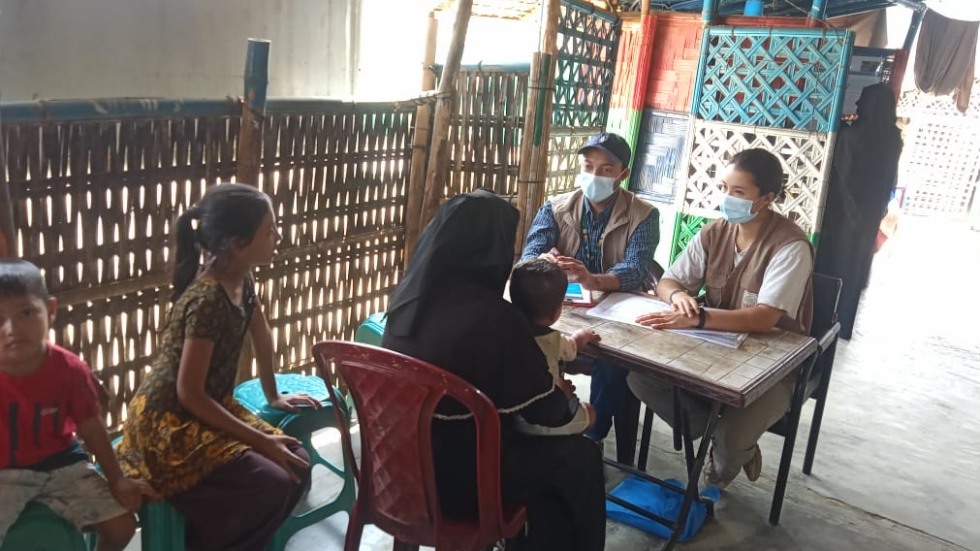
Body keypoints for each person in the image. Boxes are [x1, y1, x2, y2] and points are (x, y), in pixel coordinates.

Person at [383, 189, 606, 551]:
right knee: (578, 457)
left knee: (546, 457)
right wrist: (567, 400)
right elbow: (547, 412)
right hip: (458, 483)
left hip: (395, 468)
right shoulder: (496, 321)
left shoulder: (409, 301)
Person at [115, 183, 318, 551]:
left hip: (209, 406)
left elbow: (261, 332)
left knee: (297, 464)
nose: (278, 236)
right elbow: (188, 393)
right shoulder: (207, 299)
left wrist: (274, 395)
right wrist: (261, 440)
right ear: (238, 243)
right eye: (270, 230)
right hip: (168, 422)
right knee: (270, 481)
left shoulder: (243, 278)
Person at [627, 149, 814, 489]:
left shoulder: (790, 245)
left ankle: (726, 457)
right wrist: (678, 296)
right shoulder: (715, 232)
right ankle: (719, 430)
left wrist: (698, 320)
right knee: (640, 379)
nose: (727, 199)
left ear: (766, 199)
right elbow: (668, 281)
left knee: (730, 443)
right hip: (712, 351)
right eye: (725, 188)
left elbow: (764, 318)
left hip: (770, 366)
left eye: (739, 193)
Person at [0, 259, 158, 551]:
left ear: (50, 310)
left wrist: (117, 479)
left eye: (26, 312)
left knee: (122, 527)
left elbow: (91, 427)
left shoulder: (69, 369)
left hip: (61, 462)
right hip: (5, 472)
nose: (12, 328)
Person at [520, 131, 659, 462]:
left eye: (606, 169)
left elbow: (636, 269)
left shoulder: (644, 215)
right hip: (564, 307)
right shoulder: (556, 207)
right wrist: (547, 263)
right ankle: (540, 418)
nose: (594, 175)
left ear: (623, 174)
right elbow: (530, 253)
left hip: (617, 310)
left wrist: (593, 278)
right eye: (588, 165)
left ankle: (591, 432)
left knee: (612, 357)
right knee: (527, 337)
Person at [815, 83, 903, 340]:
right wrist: (873, 213)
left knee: (831, 266)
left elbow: (841, 176)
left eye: (862, 101)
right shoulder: (893, 138)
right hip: (868, 214)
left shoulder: (850, 136)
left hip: (840, 214)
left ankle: (822, 322)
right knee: (853, 269)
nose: (858, 107)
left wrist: (850, 211)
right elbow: (890, 179)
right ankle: (843, 325)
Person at [509, 258, 599, 436]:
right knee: (590, 412)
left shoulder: (507, 330)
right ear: (555, 314)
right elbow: (573, 346)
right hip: (544, 420)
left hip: (513, 415)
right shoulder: (554, 340)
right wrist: (584, 334)